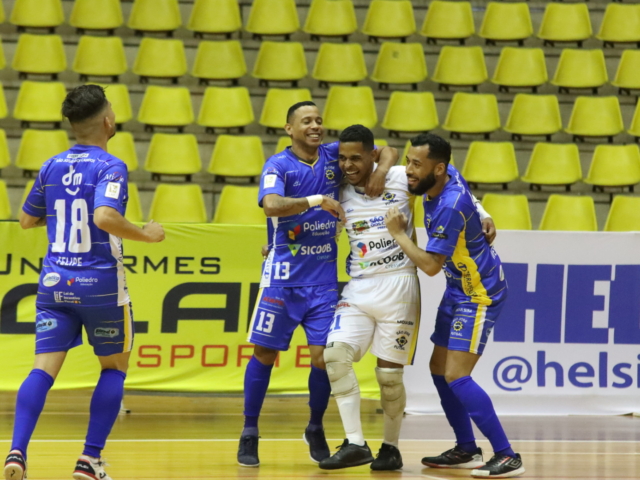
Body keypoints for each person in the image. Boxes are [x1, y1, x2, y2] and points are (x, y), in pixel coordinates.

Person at [3, 85, 165, 480]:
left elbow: (26, 220)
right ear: (107, 121)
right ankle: (88, 461)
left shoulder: (50, 165)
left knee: (42, 370)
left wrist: (58, 217)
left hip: (54, 282)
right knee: (113, 368)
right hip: (100, 286)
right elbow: (105, 218)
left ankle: (16, 453)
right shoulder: (111, 166)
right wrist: (147, 233)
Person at [319, 126, 494, 472]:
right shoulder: (335, 188)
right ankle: (355, 443)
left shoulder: (401, 177)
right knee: (334, 356)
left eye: (356, 157)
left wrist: (484, 214)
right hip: (358, 285)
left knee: (389, 377)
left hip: (399, 286)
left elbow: (450, 176)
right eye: (343, 158)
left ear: (372, 155)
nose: (348, 164)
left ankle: (390, 448)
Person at [238, 102, 397, 467]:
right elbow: (272, 206)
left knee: (323, 359)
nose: (315, 126)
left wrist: (382, 169)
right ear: (288, 129)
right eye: (306, 121)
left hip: (323, 282)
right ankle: (249, 431)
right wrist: (317, 200)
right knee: (264, 354)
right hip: (281, 280)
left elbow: (384, 149)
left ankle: (314, 426)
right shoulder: (278, 165)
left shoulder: (333, 156)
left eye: (319, 120)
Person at [384, 133, 525, 479]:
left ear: (438, 168)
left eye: (417, 164)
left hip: (479, 294)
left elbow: (431, 266)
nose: (409, 170)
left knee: (456, 376)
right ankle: (466, 448)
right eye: (408, 160)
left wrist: (399, 234)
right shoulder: (449, 176)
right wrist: (484, 212)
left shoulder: (448, 205)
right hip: (458, 289)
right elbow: (470, 195)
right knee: (438, 368)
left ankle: (507, 455)